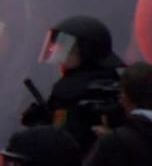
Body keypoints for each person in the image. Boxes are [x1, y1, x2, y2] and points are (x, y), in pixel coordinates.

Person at [25, 15, 124, 156]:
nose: (60, 55)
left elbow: (62, 139)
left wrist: (39, 126)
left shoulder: (68, 90)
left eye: (66, 48)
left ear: (87, 51)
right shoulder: (114, 82)